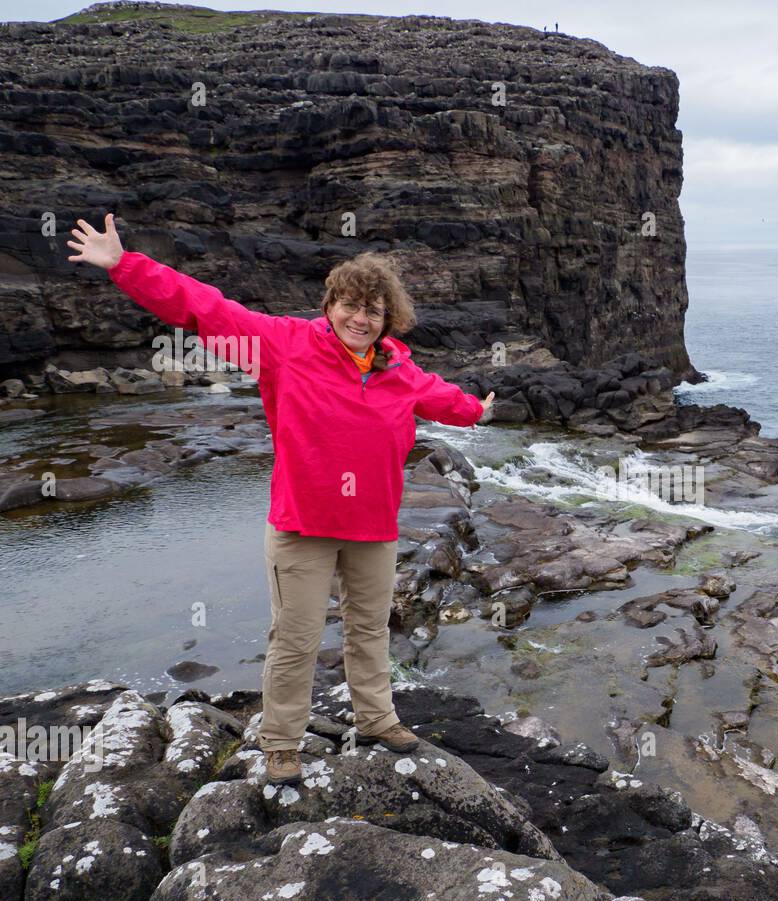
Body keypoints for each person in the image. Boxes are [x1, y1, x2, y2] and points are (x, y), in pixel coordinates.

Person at [66, 214, 495, 786]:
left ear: (387, 319)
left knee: (370, 628)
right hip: (304, 523)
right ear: (331, 304)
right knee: (296, 637)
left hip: (373, 524)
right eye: (350, 305)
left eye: (373, 310)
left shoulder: (399, 367)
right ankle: (282, 743)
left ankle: (377, 719)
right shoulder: (283, 344)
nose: (359, 318)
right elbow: (205, 308)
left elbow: (441, 397)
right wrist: (125, 265)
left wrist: (475, 409)